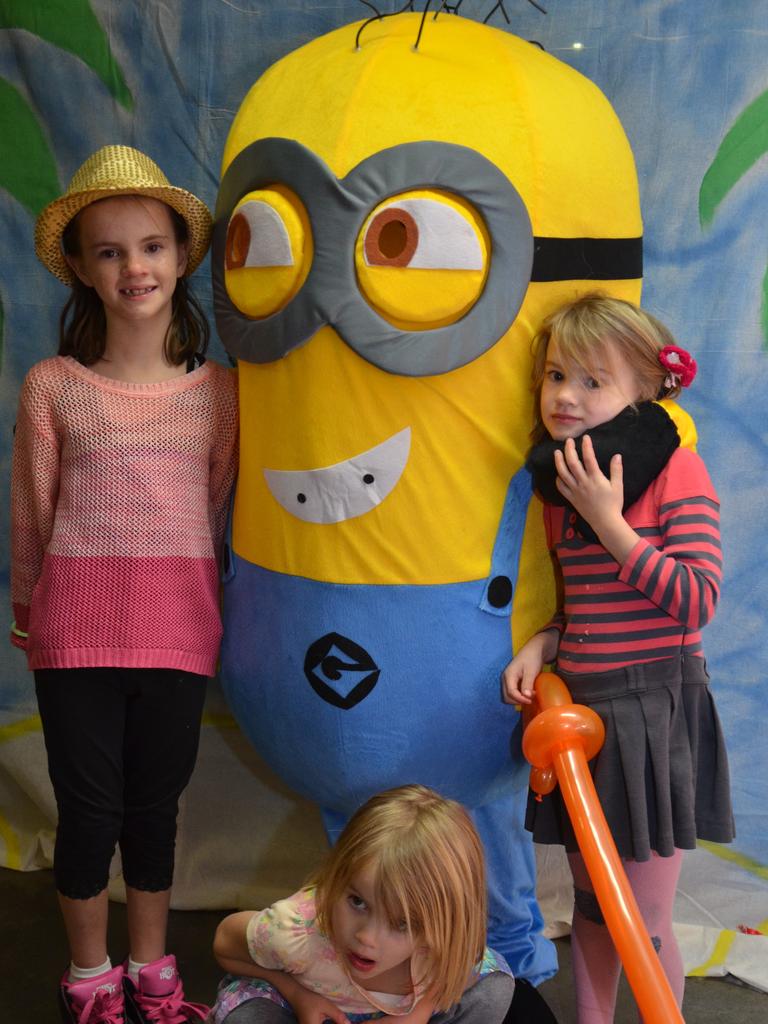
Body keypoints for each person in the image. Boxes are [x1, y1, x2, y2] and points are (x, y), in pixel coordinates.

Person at [10, 145, 239, 1024]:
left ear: (181, 258)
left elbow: (211, 511)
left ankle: (152, 972)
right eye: (109, 251)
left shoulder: (220, 394)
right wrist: (32, 619)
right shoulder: (54, 388)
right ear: (80, 269)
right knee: (87, 815)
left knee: (155, 812)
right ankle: (88, 979)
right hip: (75, 638)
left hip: (179, 633)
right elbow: (31, 518)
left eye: (150, 247)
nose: (133, 266)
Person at [502, 294, 734, 1023]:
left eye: (592, 381)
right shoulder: (563, 485)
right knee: (594, 908)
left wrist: (611, 523)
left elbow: (696, 600)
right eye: (555, 375)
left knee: (644, 914)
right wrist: (544, 642)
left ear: (646, 390)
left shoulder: (676, 472)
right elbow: (586, 605)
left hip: (655, 712)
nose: (565, 395)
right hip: (583, 717)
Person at [210, 784, 515, 1023]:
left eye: (402, 923)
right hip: (304, 1008)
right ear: (337, 873)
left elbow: (461, 969)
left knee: (494, 989)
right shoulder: (295, 930)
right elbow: (225, 943)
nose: (366, 937)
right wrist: (297, 994)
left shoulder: (445, 942)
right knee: (250, 1016)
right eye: (357, 902)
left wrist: (417, 1013)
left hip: (400, 1013)